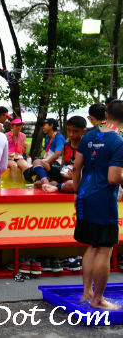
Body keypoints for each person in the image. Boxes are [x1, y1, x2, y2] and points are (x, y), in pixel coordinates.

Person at [72, 100, 123, 310]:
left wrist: (76, 193)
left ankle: (87, 293)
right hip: (103, 200)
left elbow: (76, 168)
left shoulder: (90, 135)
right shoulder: (118, 140)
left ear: (107, 114)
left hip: (85, 196)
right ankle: (98, 299)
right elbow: (113, 178)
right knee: (104, 249)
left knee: (92, 246)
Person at [42, 116, 87, 193]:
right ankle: (57, 185)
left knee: (71, 184)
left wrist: (74, 176)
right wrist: (65, 172)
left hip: (80, 182)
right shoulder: (65, 147)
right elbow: (63, 166)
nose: (71, 134)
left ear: (83, 132)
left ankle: (57, 187)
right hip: (66, 181)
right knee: (42, 183)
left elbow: (91, 170)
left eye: (75, 131)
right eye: (68, 130)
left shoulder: (88, 147)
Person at [23, 118, 66, 184]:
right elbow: (48, 152)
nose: (43, 127)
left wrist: (45, 163)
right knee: (26, 173)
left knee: (38, 167)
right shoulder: (47, 137)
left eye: (44, 125)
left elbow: (57, 154)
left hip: (58, 163)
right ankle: (32, 186)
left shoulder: (59, 137)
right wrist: (41, 158)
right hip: (49, 161)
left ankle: (44, 182)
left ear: (51, 126)